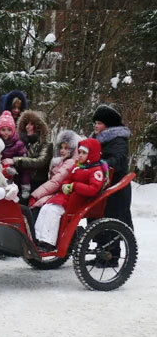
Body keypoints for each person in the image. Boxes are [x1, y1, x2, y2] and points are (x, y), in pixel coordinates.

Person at [35, 138, 105, 251]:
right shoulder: (77, 167)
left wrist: (74, 186)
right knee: (45, 208)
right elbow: (68, 178)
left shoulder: (95, 170)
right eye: (80, 152)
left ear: (92, 154)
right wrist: (65, 185)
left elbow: (93, 189)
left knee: (53, 211)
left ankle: (49, 242)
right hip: (66, 197)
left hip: (78, 201)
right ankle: (39, 238)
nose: (80, 155)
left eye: (84, 153)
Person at [89, 104, 133, 267]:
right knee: (99, 220)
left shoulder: (118, 139)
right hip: (102, 186)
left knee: (113, 221)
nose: (96, 126)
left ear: (107, 125)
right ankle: (102, 253)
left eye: (99, 123)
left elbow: (119, 159)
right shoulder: (97, 139)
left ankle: (112, 257)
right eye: (95, 123)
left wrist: (102, 165)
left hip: (116, 189)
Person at [2, 110, 53, 203]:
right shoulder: (24, 142)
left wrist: (15, 160)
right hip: (20, 181)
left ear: (38, 127)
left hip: (36, 183)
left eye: (31, 124)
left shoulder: (46, 144)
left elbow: (40, 161)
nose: (27, 127)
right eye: (26, 124)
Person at [29, 129, 82, 212]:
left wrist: (36, 195)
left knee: (36, 206)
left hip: (59, 193)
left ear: (72, 150)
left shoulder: (69, 163)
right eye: (61, 147)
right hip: (53, 191)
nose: (62, 150)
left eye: (66, 148)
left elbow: (56, 182)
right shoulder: (61, 161)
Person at [0, 110, 30, 188]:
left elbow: (25, 160)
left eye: (9, 130)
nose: (6, 132)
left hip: (15, 176)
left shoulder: (18, 144)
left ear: (13, 131)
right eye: (3, 130)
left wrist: (13, 161)